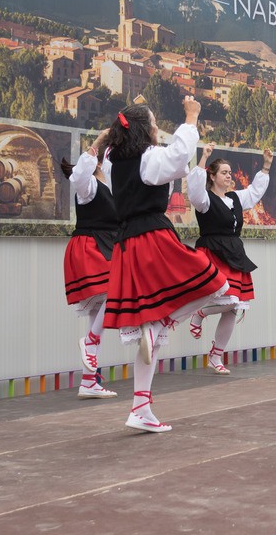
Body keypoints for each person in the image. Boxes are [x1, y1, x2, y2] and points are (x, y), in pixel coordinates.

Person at [104, 100, 230, 433]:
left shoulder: (113, 162)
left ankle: (140, 408)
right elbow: (180, 156)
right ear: (144, 130)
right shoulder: (148, 160)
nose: (158, 128)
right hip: (152, 238)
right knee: (216, 283)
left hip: (126, 244)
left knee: (153, 335)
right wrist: (191, 117)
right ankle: (162, 322)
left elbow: (111, 149)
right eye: (154, 123)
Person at [186, 144, 273, 374]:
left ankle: (216, 355)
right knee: (231, 301)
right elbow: (194, 190)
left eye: (230, 172)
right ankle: (200, 312)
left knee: (233, 308)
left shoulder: (235, 198)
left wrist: (266, 166)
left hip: (234, 253)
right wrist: (203, 158)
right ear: (212, 176)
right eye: (224, 172)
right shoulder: (205, 200)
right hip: (213, 252)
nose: (229, 176)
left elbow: (254, 193)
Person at [61, 134, 118, 399]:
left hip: (106, 246)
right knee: (115, 294)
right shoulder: (89, 185)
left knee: (98, 313)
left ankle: (88, 381)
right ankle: (90, 342)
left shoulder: (108, 183)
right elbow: (78, 177)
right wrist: (97, 142)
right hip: (90, 246)